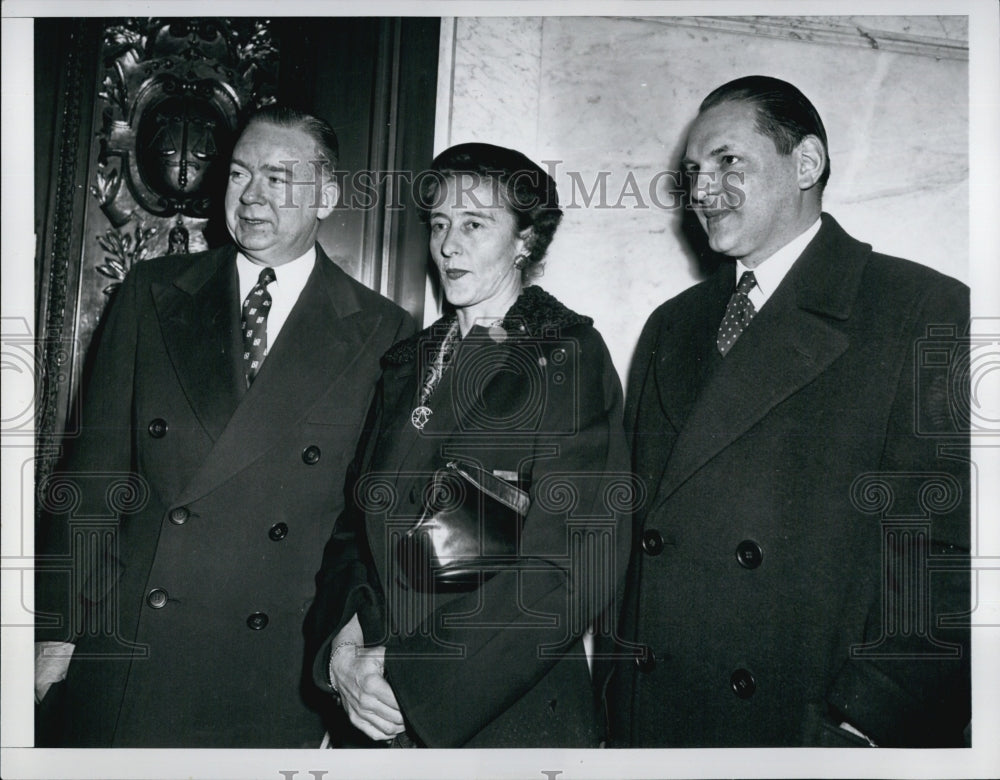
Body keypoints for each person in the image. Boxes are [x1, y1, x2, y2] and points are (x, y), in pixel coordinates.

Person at [606, 76, 970, 747]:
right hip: (655, 726)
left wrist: (870, 721)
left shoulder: (921, 309)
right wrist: (613, 706)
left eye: (728, 162)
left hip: (807, 729)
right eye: (693, 172)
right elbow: (627, 539)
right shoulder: (672, 326)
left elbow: (950, 557)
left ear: (805, 163)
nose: (703, 191)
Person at [34, 106, 414, 747]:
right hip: (129, 643)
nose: (253, 196)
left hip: (269, 672)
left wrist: (344, 652)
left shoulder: (383, 331)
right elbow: (94, 473)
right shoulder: (152, 291)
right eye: (239, 174)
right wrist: (56, 625)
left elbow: (364, 523)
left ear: (326, 195)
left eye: (278, 177)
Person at [306, 143, 632, 747]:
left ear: (525, 240)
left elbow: (572, 563)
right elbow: (354, 528)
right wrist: (344, 648)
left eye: (474, 224)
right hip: (376, 708)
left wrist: (412, 679)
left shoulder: (566, 356)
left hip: (500, 716)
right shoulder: (408, 361)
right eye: (439, 224)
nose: (448, 244)